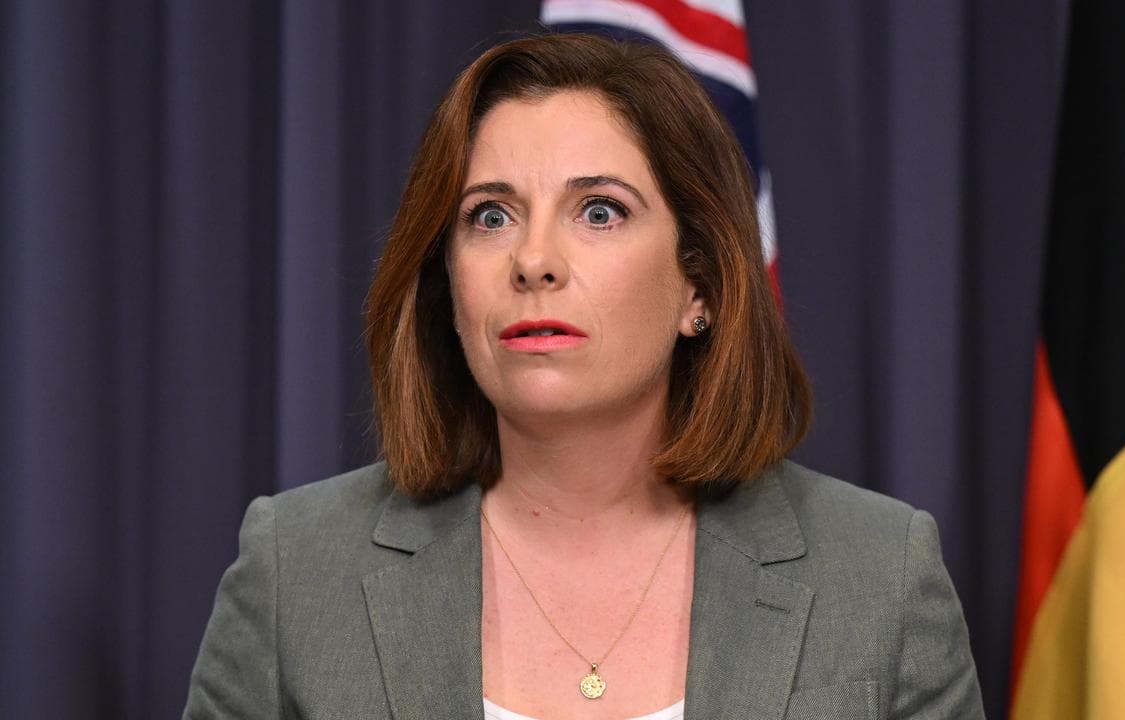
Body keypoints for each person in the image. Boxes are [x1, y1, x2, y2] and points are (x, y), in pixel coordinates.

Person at [183, 33, 984, 720]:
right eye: (490, 216)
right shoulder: (295, 573)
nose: (533, 260)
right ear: (447, 285)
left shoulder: (882, 576)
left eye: (600, 211)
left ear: (700, 286)